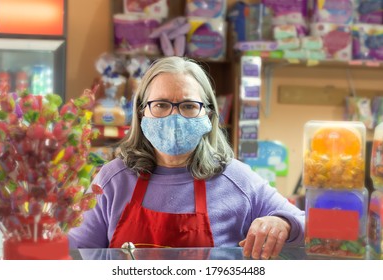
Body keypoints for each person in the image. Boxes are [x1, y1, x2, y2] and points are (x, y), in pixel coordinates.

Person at [68, 56, 305, 260]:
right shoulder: (113, 179)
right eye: (160, 104)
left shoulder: (238, 179)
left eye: (189, 106)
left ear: (209, 114)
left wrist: (283, 223)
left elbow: (308, 227)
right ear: (142, 112)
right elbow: (78, 253)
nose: (174, 117)